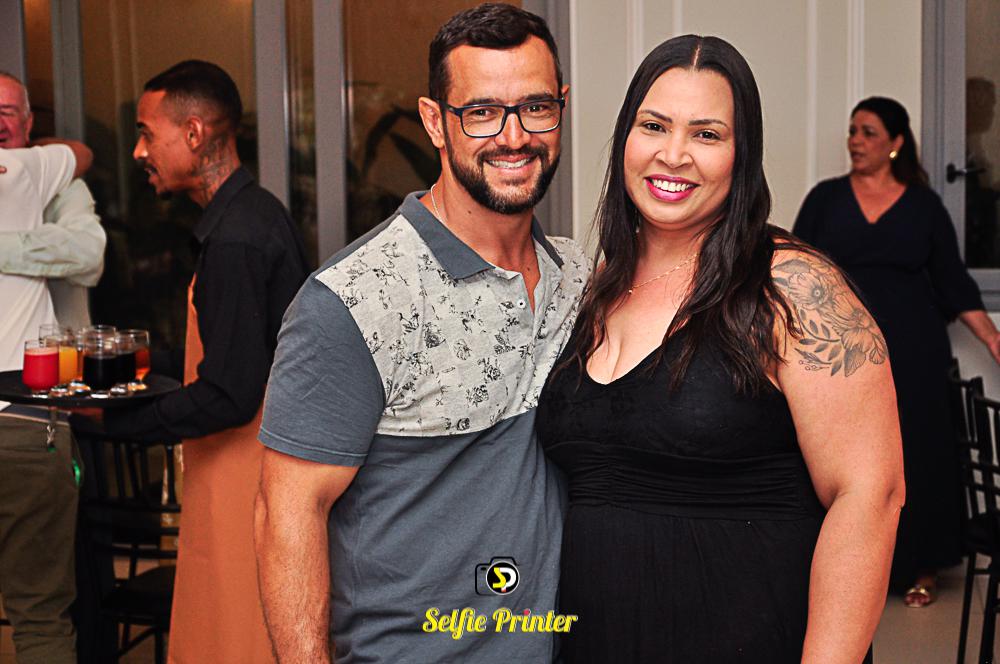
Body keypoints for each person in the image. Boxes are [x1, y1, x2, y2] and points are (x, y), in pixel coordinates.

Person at [535, 35, 905, 663]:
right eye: (654, 126)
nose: (673, 154)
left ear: (742, 155)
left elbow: (871, 496)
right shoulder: (595, 288)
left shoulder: (792, 287)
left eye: (706, 134)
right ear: (625, 138)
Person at [254, 5, 587, 663]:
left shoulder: (577, 276)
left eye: (535, 107)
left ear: (561, 108)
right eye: (481, 112)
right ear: (435, 121)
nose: (514, 136)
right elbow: (285, 514)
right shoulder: (353, 300)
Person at [85, 60, 308, 663]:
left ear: (193, 133)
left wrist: (117, 422)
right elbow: (235, 348)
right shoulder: (253, 213)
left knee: (235, 640)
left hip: (244, 473)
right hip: (245, 469)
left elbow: (230, 392)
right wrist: (128, 365)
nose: (138, 151)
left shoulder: (236, 239)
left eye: (145, 133)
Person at [792, 96, 1000, 607]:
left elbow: (952, 280)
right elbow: (794, 268)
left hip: (914, 349)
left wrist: (992, 338)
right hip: (838, 349)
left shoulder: (924, 206)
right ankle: (843, 566)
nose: (855, 141)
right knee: (841, 454)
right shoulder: (825, 199)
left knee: (916, 451)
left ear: (895, 143)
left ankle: (920, 565)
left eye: (868, 132)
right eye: (852, 131)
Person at [1, 135, 93, 663]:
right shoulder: (22, 169)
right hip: (24, 426)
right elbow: (81, 151)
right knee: (40, 616)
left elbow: (88, 253)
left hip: (26, 424)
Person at [0, 71, 106, 330]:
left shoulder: (64, 181)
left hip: (60, 348)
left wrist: (4, 248)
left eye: (7, 113)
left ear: (28, 124)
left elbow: (89, 253)